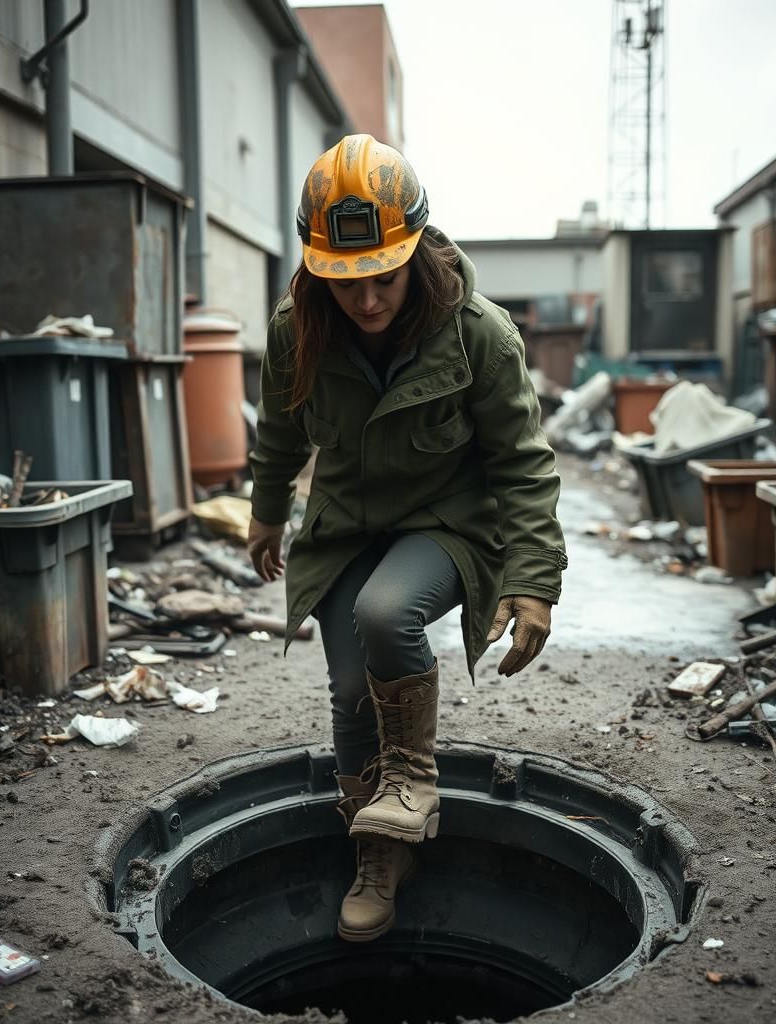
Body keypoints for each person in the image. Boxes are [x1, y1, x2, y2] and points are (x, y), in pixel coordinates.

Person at [247, 134, 567, 943]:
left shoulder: (479, 334)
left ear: (415, 250)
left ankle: (414, 782)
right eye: (346, 281)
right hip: (348, 525)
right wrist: (266, 509)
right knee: (352, 687)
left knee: (388, 614)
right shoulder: (298, 328)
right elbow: (281, 431)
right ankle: (380, 852)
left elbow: (523, 464)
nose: (366, 300)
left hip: (447, 523)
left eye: (382, 277)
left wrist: (534, 579)